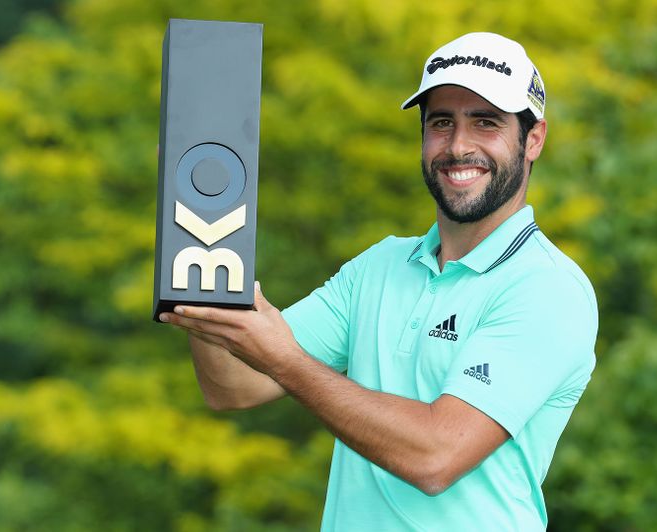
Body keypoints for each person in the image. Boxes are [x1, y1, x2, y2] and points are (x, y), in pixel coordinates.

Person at [160, 32, 598, 531]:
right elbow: (234, 385)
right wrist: (199, 236)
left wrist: (285, 359)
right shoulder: (380, 265)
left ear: (533, 139)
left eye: (486, 123)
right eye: (441, 123)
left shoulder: (547, 287)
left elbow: (437, 457)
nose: (458, 146)